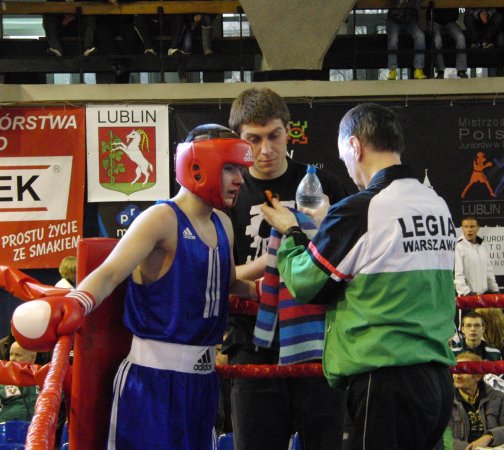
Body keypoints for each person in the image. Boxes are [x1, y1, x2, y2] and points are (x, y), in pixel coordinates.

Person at [11, 124, 257, 450]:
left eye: (240, 169)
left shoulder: (223, 223)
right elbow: (110, 273)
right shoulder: (161, 218)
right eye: (229, 168)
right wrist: (77, 301)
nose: (239, 179)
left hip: (202, 383)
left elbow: (226, 283)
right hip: (152, 380)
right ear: (197, 164)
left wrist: (265, 289)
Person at [262, 102, 457, 449]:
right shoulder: (436, 204)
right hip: (438, 379)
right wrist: (329, 224)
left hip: (384, 381)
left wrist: (291, 231)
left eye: (344, 158)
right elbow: (382, 253)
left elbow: (306, 283)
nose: (348, 170)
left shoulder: (360, 208)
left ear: (355, 146)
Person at [224, 87, 350, 450]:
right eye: (254, 139)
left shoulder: (324, 186)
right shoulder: (229, 191)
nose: (266, 149)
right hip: (252, 338)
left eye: (274, 136)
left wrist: (320, 229)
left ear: (289, 131)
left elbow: (349, 261)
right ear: (239, 139)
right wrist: (271, 263)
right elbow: (217, 274)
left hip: (318, 339)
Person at [451, 352, 504, 450]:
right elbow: (439, 437)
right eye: (455, 370)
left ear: (478, 376)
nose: (457, 376)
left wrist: (489, 437)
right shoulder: (445, 400)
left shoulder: (497, 398)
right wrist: (470, 448)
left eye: (463, 371)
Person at [454, 216, 499, 297]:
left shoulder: (482, 246)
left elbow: (488, 271)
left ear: (478, 228)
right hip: (466, 297)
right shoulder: (458, 247)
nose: (469, 230)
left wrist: (494, 289)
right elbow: (458, 275)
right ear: (462, 228)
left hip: (482, 297)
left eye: (472, 226)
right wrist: (466, 293)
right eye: (466, 227)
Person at [386, 0, 428, 80]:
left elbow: (418, 4)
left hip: (411, 21)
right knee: (393, 39)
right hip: (394, 20)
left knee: (420, 36)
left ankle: (418, 69)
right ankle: (392, 69)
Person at [0, 342, 39, 422]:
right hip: (6, 428)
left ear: (32, 358)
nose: (12, 359)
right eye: (11, 354)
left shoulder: (43, 379)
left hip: (38, 427)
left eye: (18, 355)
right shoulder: (2, 379)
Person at [430, 7, 468, 79]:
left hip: (450, 21)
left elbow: (455, 11)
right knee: (437, 40)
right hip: (434, 21)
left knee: (460, 37)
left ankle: (461, 70)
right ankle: (440, 70)